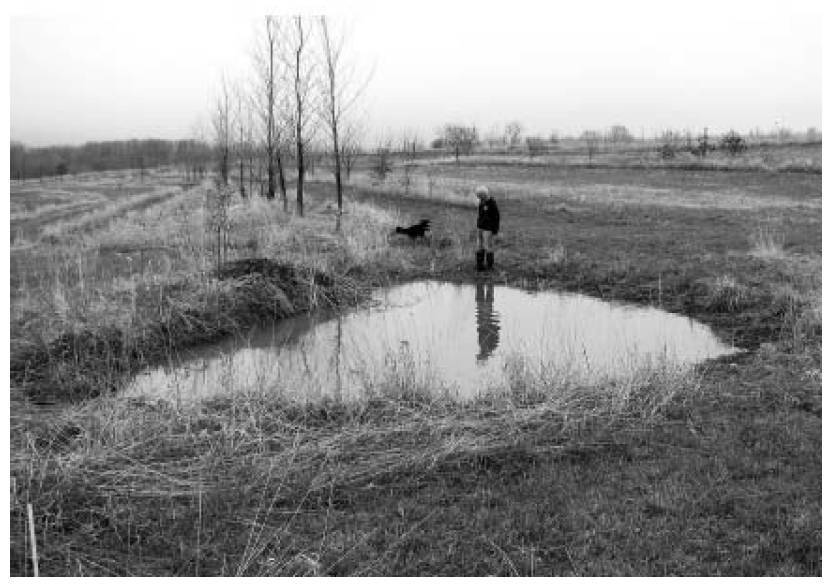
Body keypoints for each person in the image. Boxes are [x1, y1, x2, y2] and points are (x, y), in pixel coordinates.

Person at [475, 185, 500, 271]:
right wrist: (478, 224)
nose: (479, 198)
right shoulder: (481, 202)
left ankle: (490, 266)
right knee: (479, 246)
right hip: (480, 227)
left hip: (488, 229)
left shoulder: (492, 203)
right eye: (478, 197)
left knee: (488, 246)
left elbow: (496, 217)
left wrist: (495, 230)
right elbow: (480, 214)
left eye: (480, 196)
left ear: (484, 194)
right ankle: (479, 265)